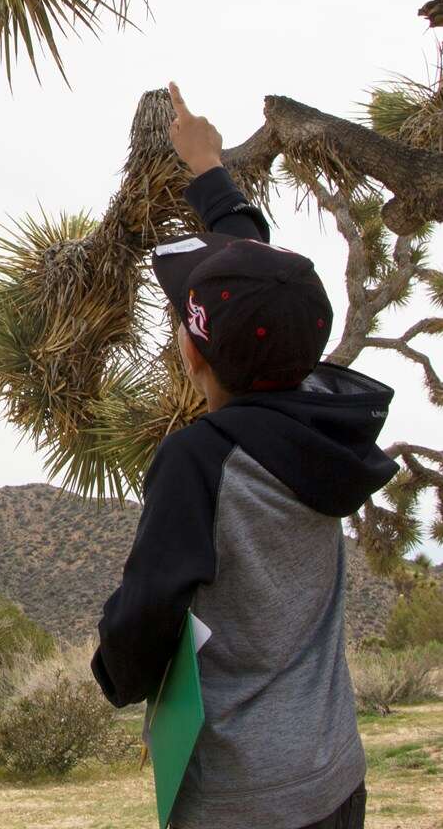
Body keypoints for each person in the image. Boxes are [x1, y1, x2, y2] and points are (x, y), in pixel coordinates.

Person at [92, 84, 398, 829]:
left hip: (242, 798)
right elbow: (263, 278)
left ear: (195, 357)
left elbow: (146, 617)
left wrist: (114, 667)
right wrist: (208, 168)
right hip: (332, 774)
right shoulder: (330, 414)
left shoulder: (202, 460)